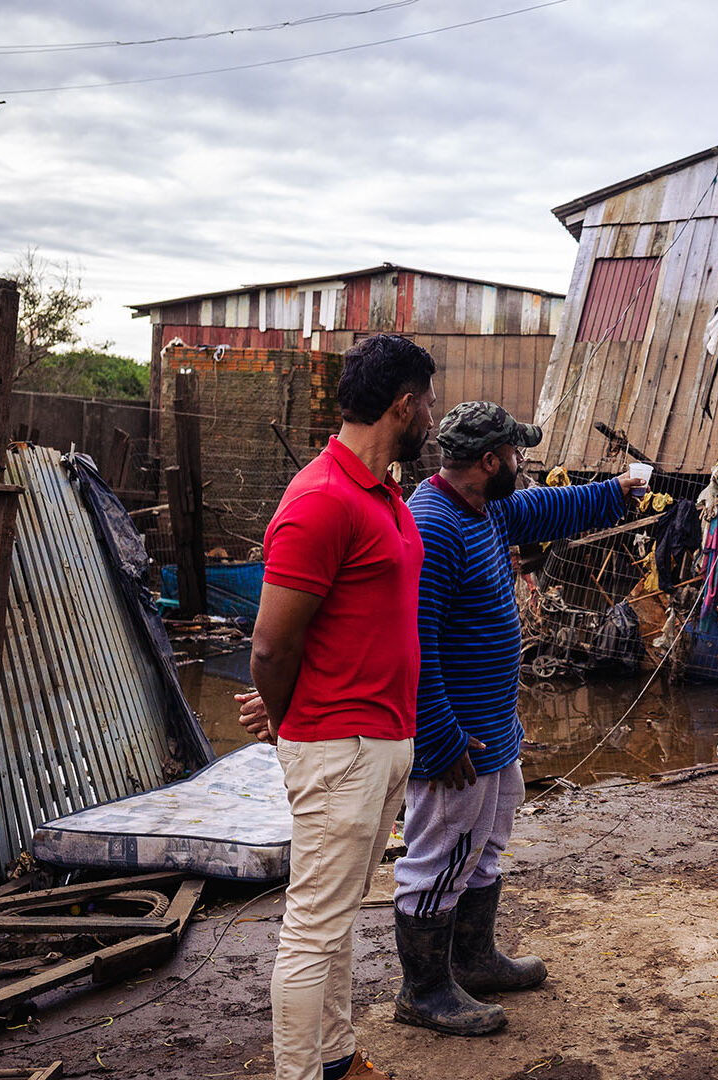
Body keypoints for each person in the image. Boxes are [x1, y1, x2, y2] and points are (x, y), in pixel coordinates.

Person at [390, 401, 645, 1035]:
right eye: (516, 455)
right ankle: (422, 992)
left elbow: (551, 509)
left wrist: (617, 491)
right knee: (438, 857)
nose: (522, 464)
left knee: (484, 848)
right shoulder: (434, 523)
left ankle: (473, 961)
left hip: (493, 732)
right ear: (489, 460)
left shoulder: (486, 506)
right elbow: (414, 646)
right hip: (457, 740)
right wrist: (443, 739)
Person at [240, 333, 436, 1080]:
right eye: (428, 402)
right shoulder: (320, 500)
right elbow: (269, 646)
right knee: (313, 929)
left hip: (380, 737)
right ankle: (300, 1074)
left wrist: (286, 705)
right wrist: (290, 717)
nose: (431, 417)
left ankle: (336, 1058)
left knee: (339, 916)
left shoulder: (381, 492)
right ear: (404, 403)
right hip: (339, 745)